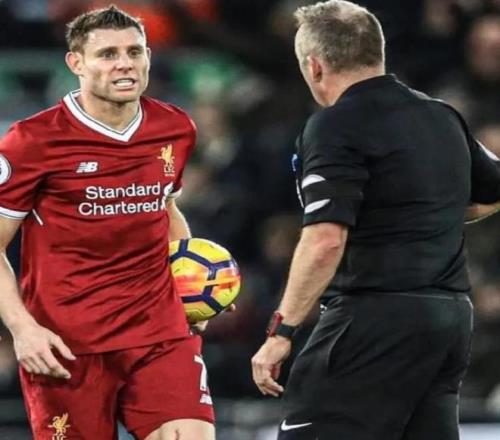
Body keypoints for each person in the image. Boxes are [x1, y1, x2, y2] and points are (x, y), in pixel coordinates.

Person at [251, 1, 500, 439]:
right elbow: (494, 190)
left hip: (374, 318)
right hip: (448, 319)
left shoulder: (333, 126)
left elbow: (325, 239)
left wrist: (281, 331)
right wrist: (424, 218)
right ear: (375, 51)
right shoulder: (442, 116)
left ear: (314, 65)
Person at [0, 6, 215, 440]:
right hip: (66, 345)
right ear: (75, 62)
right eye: (108, 54)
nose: (125, 64)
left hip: (159, 333)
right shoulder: (32, 141)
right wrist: (22, 329)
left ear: (149, 57)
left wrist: (193, 287)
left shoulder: (174, 128)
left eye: (135, 52)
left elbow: (166, 209)